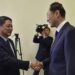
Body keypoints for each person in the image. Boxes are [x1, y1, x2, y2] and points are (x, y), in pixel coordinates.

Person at [47, 2, 75, 75]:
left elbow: (71, 64)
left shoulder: (70, 32)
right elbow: (57, 57)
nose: (47, 19)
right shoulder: (60, 32)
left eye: (48, 15)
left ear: (57, 13)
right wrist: (42, 63)